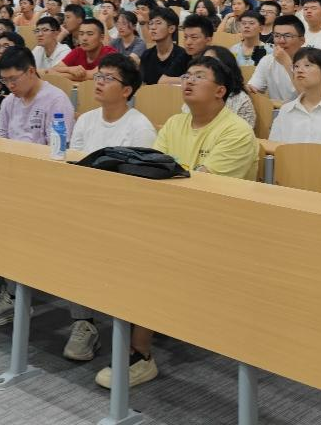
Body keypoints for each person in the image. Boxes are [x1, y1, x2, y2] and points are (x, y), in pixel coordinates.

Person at [99, 56, 257, 390]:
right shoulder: (174, 123)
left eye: (198, 76)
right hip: (173, 216)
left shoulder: (237, 132)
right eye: (186, 75)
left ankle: (139, 354)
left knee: (148, 255)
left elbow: (202, 189)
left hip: (219, 228)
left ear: (220, 90)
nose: (188, 81)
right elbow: (151, 171)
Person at [62, 54, 156, 362]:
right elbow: (74, 167)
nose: (99, 82)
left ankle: (125, 327)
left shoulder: (140, 128)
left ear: (127, 90)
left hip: (122, 213)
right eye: (98, 76)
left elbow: (138, 188)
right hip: (85, 207)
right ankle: (83, 323)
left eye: (108, 78)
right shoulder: (86, 120)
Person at [0, 47, 75, 327]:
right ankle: (9, 291)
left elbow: (58, 151)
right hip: (11, 179)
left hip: (43, 184)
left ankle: (14, 296)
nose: (9, 86)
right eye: (5, 81)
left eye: (14, 79)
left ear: (31, 71)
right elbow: (1, 141)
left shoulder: (56, 100)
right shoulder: (10, 102)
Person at [247, 14, 303, 104]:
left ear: (302, 40)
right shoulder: (267, 60)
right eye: (277, 36)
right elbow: (254, 87)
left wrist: (286, 63)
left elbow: (309, 96)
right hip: (276, 110)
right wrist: (249, 89)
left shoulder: (313, 61)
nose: (281, 41)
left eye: (287, 36)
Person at [139, 7, 190, 85]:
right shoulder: (146, 55)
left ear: (171, 29)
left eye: (158, 23)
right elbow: (143, 84)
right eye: (151, 23)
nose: (153, 27)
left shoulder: (183, 55)